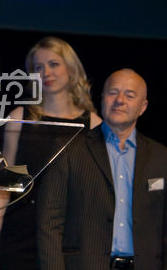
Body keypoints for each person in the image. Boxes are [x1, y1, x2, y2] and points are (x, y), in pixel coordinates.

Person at [37, 68, 167, 270]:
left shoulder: (161, 157)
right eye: (113, 92)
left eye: (130, 95)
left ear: (143, 107)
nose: (120, 100)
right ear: (102, 98)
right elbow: (49, 223)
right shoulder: (69, 150)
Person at [0, 36, 101, 269]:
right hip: (20, 235)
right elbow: (4, 186)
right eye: (38, 67)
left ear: (71, 69)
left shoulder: (93, 123)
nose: (46, 73)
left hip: (70, 239)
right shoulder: (19, 117)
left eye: (53, 64)